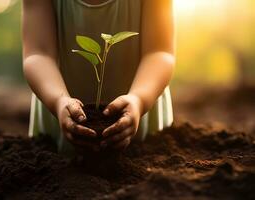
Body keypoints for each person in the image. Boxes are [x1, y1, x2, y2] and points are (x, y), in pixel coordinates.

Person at [22, 0, 175, 155]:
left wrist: (139, 100)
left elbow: (159, 52)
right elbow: (38, 54)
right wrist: (57, 101)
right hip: (58, 123)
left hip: (143, 129)